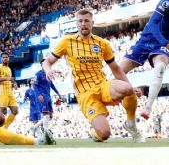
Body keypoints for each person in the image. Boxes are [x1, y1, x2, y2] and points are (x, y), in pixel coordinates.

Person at [42, 8, 144, 142]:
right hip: (85, 94)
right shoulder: (67, 41)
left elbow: (116, 69)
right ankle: (95, 133)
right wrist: (48, 70)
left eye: (86, 21)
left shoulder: (102, 44)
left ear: (92, 23)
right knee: (105, 133)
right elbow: (47, 62)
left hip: (102, 85)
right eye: (80, 21)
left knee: (127, 89)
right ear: (76, 24)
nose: (83, 24)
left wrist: (131, 86)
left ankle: (131, 125)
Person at [32, 59, 61, 134]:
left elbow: (51, 84)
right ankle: (45, 132)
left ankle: (35, 127)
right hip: (42, 96)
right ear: (41, 65)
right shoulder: (38, 74)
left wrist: (58, 93)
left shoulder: (49, 73)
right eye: (43, 64)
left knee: (50, 116)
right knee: (45, 114)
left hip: (48, 96)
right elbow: (34, 85)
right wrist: (38, 95)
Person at [0, 52, 18, 129]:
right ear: (1, 59)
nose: (5, 58)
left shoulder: (9, 69)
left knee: (15, 111)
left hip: (10, 92)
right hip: (2, 92)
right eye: (3, 57)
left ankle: (5, 128)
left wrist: (14, 83)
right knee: (3, 112)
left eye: (6, 57)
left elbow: (10, 79)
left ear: (8, 58)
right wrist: (7, 78)